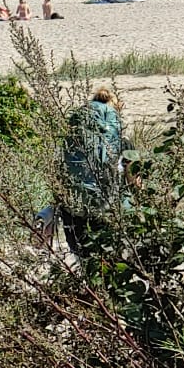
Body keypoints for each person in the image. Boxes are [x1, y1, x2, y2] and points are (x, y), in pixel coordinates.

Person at [56, 87, 124, 260]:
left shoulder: (71, 139)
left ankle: (85, 284)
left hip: (73, 205)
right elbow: (135, 181)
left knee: (82, 256)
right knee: (106, 259)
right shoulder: (122, 142)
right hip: (105, 204)